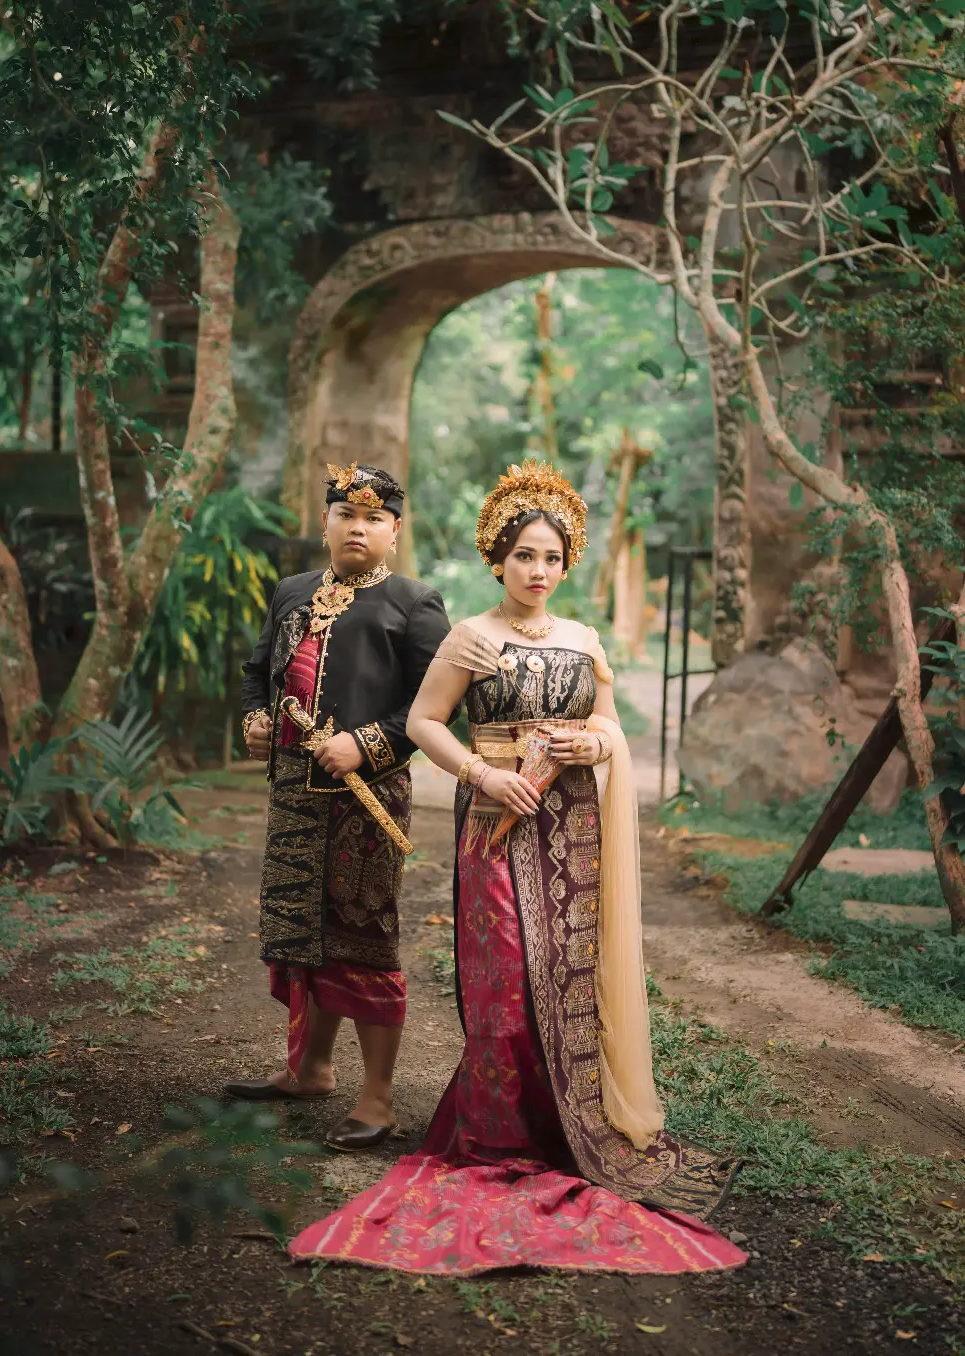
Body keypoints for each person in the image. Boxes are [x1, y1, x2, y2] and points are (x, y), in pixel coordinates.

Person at [289, 460, 745, 1274]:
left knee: (564, 976)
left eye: (552, 558)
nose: (538, 571)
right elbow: (425, 722)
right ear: (497, 559)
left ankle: (568, 1126)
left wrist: (592, 745)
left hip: (569, 829)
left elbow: (609, 724)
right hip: (495, 821)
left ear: (567, 565)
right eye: (524, 555)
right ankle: (497, 1135)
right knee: (503, 979)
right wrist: (482, 773)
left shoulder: (584, 640)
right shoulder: (470, 636)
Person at [227, 462, 450, 1152]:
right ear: (325, 522)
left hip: (367, 801)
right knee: (303, 936)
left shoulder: (415, 604)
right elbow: (256, 674)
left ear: (395, 530)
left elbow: (435, 706)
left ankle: (377, 1099)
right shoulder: (292, 591)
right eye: (346, 515)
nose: (358, 527)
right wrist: (256, 719)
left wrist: (367, 743)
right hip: (294, 796)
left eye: (374, 518)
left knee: (364, 937)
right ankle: (310, 1071)